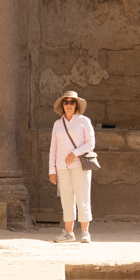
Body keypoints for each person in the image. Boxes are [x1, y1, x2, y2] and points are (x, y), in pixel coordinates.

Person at [48, 90, 96, 243]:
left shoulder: (84, 121)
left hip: (79, 166)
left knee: (83, 197)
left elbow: (90, 144)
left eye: (72, 102)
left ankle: (85, 232)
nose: (69, 105)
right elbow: (53, 148)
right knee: (66, 199)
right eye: (66, 102)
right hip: (62, 167)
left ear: (76, 105)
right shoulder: (57, 124)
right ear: (62, 105)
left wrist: (74, 153)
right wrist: (52, 170)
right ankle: (68, 233)